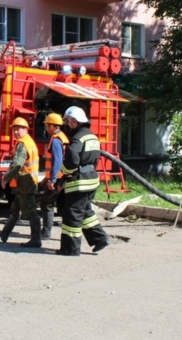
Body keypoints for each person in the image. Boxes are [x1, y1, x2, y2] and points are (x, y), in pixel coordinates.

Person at [56, 106, 110, 256]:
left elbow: (72, 159)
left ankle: (70, 249)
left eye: (68, 121)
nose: (67, 124)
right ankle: (100, 239)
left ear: (74, 121)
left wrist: (65, 173)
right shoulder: (92, 136)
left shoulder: (77, 138)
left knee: (72, 214)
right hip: (91, 179)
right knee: (85, 211)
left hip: (79, 182)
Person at [0, 117, 41, 248]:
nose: (15, 132)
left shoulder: (22, 144)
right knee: (15, 209)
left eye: (18, 129)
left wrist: (5, 179)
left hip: (25, 184)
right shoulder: (30, 141)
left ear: (26, 129)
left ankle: (36, 239)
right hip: (27, 183)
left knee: (31, 212)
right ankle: (4, 235)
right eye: (14, 129)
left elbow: (16, 165)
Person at [40, 113, 68, 240]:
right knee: (62, 206)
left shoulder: (56, 140)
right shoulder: (62, 137)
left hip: (57, 179)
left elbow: (57, 161)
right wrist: (47, 177)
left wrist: (52, 179)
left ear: (52, 126)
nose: (45, 127)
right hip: (62, 177)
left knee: (47, 204)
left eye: (46, 125)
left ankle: (45, 233)